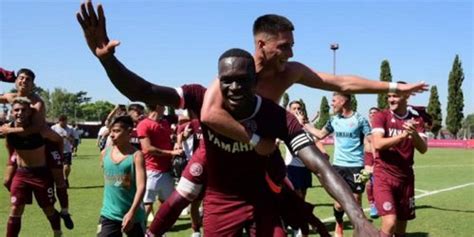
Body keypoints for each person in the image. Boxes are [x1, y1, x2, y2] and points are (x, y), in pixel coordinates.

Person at [76, 5, 379, 235]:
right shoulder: (199, 96)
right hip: (220, 204)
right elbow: (143, 90)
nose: (234, 87)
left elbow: (320, 166)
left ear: (254, 78)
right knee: (182, 196)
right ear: (217, 80)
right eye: (226, 80)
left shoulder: (276, 116)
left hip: (264, 200)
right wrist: (107, 59)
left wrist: (358, 218)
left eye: (242, 80)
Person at [0, 68, 74, 229]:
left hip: (42, 142)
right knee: (6, 181)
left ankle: (65, 211)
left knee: (59, 180)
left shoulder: (37, 102)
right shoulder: (11, 97)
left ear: (33, 84)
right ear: (16, 81)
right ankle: (22, 193)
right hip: (19, 144)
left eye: (28, 79)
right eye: (21, 78)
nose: (23, 81)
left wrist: (8, 130)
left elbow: (35, 129)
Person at [303, 92, 371, 237]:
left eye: (334, 100)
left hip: (357, 166)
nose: (331, 103)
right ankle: (339, 224)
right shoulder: (333, 120)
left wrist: (371, 164)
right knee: (339, 203)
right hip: (338, 166)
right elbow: (320, 134)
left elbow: (371, 141)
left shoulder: (360, 120)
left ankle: (359, 231)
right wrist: (304, 123)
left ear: (343, 100)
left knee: (357, 201)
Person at [371, 82, 428, 237]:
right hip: (384, 176)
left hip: (406, 179)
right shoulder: (381, 116)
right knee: (390, 223)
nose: (391, 99)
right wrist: (402, 135)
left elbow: (423, 149)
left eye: (395, 95)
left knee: (401, 230)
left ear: (406, 96)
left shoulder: (416, 120)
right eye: (389, 96)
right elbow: (377, 143)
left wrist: (414, 134)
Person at [4, 97, 63, 237]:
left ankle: (57, 232)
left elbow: (59, 140)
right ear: (12, 112)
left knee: (48, 209)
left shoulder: (40, 129)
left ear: (30, 112)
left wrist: (57, 160)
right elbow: (10, 150)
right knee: (15, 209)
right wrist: (10, 168)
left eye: (23, 110)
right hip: (21, 174)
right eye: (16, 110)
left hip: (41, 174)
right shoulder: (8, 129)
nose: (19, 113)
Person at [98, 115, 146, 237]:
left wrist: (131, 213)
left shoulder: (136, 156)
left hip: (133, 215)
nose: (112, 135)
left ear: (129, 132)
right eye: (111, 131)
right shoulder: (105, 153)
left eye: (117, 131)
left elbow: (141, 187)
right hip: (109, 214)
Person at [137, 103, 182, 221]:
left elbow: (168, 141)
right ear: (157, 106)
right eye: (163, 105)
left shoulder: (164, 123)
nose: (165, 107)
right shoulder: (144, 124)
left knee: (166, 204)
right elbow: (147, 148)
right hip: (151, 171)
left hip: (167, 171)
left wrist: (178, 141)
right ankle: (141, 230)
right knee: (148, 204)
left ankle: (157, 229)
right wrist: (171, 153)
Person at [365, 107, 381, 219]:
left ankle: (378, 203)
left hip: (378, 157)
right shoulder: (365, 126)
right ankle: (372, 204)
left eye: (375, 113)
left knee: (377, 183)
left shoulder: (381, 127)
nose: (372, 114)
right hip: (367, 156)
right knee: (368, 183)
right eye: (371, 113)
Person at [51, 115, 75, 187]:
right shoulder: (54, 128)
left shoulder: (70, 128)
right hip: (56, 150)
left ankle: (65, 178)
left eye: (65, 121)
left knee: (67, 166)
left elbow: (73, 139)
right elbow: (49, 138)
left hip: (67, 150)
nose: (64, 123)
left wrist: (67, 137)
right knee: (56, 166)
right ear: (59, 121)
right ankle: (56, 180)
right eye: (62, 122)